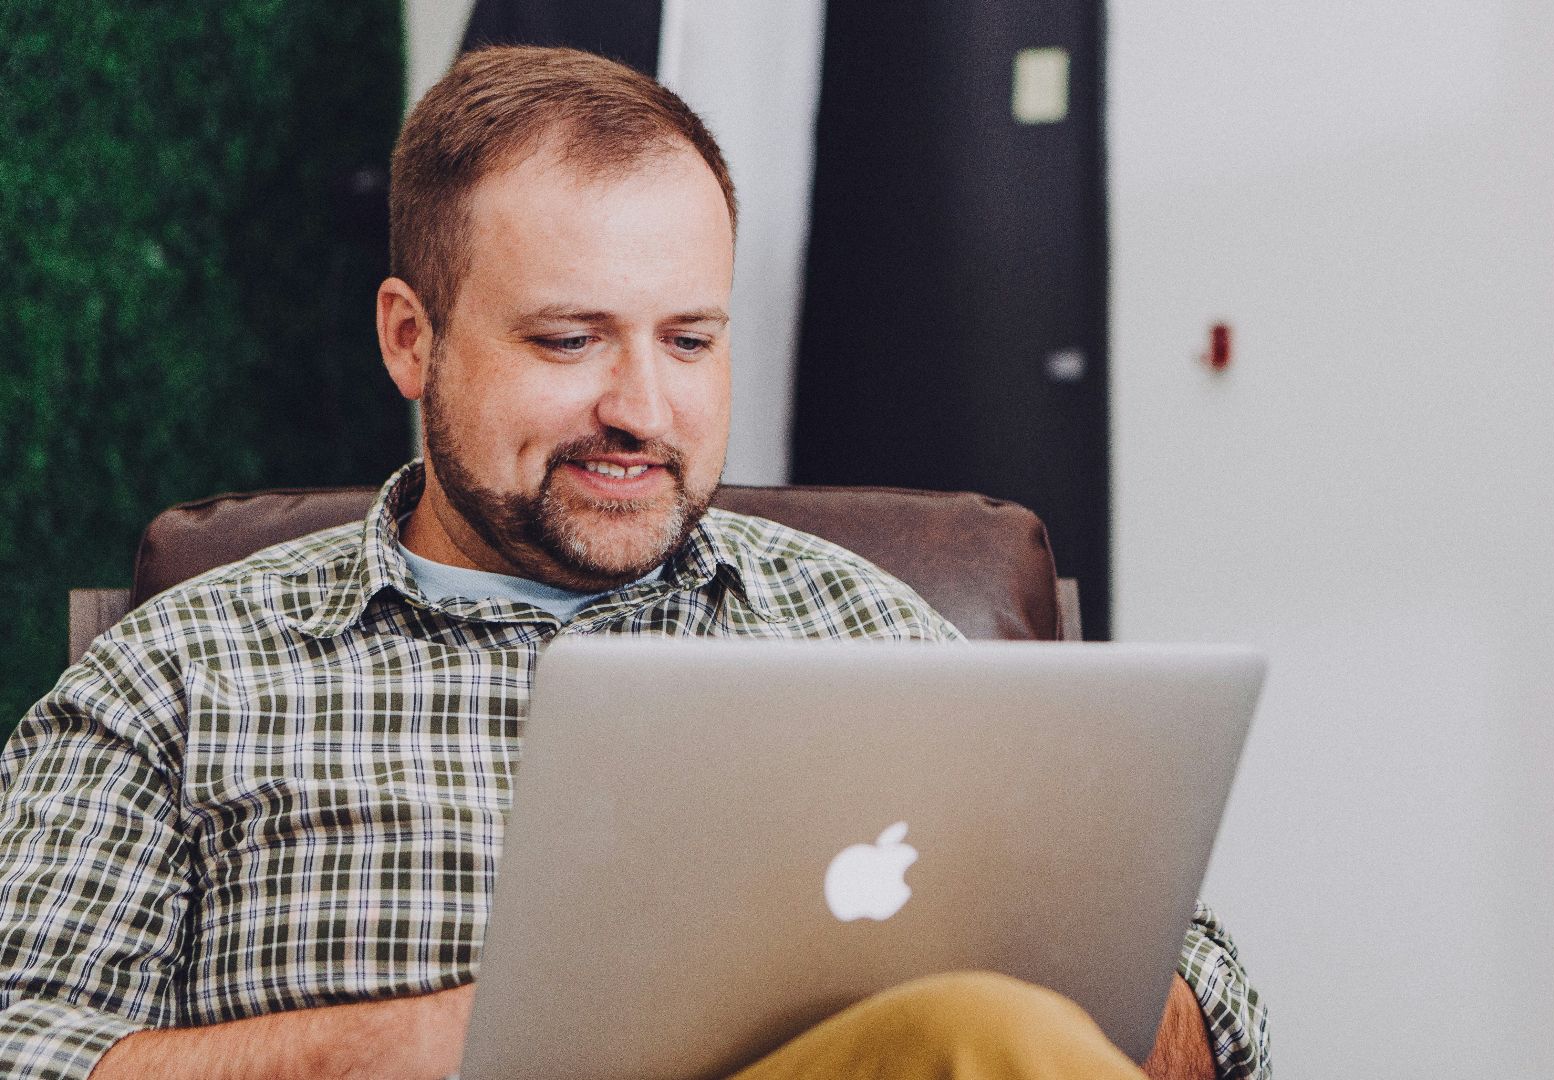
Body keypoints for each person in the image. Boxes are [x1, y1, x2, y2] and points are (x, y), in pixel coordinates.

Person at [0, 46, 1269, 1080]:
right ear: (410, 340)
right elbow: (27, 1044)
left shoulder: (858, 627)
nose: (644, 408)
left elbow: (1213, 1006)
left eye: (691, 340)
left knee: (1000, 1038)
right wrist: (450, 1045)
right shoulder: (180, 676)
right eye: (568, 340)